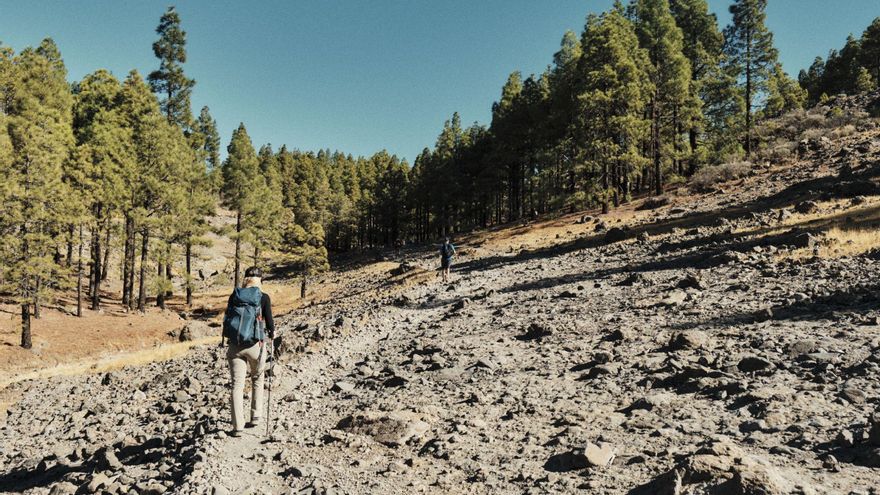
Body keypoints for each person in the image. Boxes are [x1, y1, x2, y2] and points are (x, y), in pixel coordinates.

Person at [223, 266, 275, 437]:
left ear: (245, 279)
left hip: (235, 345)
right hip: (255, 345)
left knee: (236, 386)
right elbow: (270, 323)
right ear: (261, 280)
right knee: (257, 379)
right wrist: (272, 334)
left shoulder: (235, 296)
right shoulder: (263, 297)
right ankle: (256, 416)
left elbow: (227, 318)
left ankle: (237, 427)